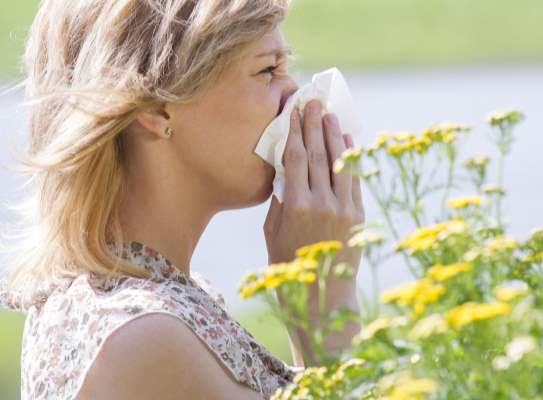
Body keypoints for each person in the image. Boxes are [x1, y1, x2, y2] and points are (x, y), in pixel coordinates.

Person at [0, 0, 364, 398]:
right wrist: (325, 304)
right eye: (267, 70)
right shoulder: (142, 337)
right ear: (157, 106)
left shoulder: (152, 305)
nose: (295, 92)